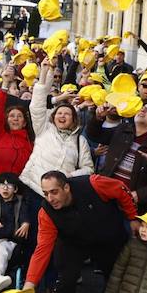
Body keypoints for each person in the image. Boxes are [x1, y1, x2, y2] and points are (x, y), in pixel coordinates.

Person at [22, 170, 138, 293]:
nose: (50, 198)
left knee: (123, 280)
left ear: (66, 187)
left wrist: (132, 217)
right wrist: (30, 284)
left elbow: (121, 190)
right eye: (45, 193)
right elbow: (42, 249)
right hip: (74, 243)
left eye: (54, 192)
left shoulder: (94, 183)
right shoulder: (46, 212)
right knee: (65, 283)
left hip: (108, 236)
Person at [20, 66, 93, 196]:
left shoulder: (80, 141)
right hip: (34, 189)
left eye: (67, 114)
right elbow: (37, 106)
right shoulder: (44, 129)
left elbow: (88, 169)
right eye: (59, 113)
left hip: (60, 195)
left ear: (74, 119)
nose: (62, 116)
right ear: (53, 117)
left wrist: (68, 175)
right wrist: (44, 72)